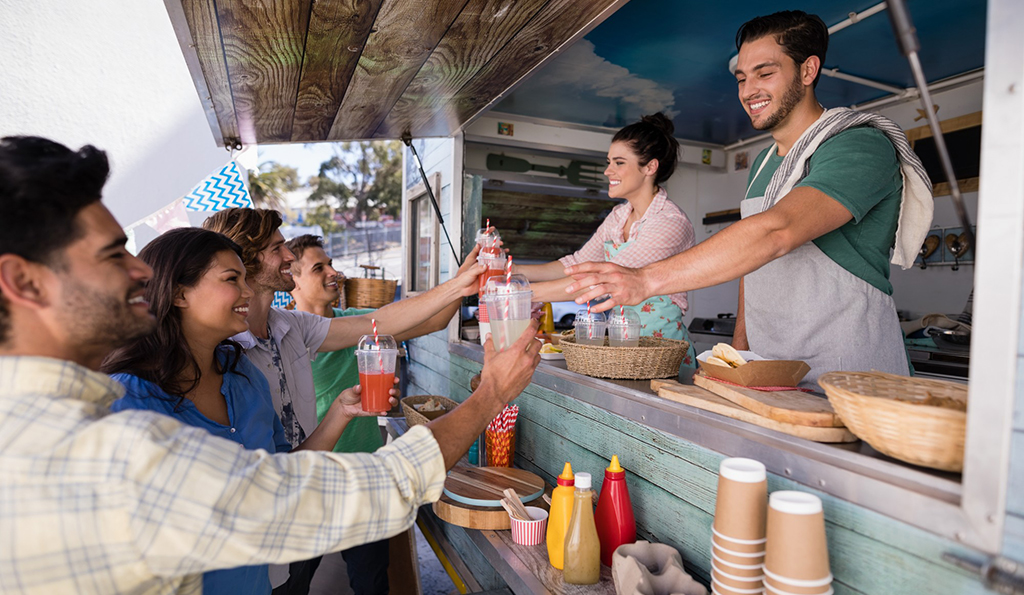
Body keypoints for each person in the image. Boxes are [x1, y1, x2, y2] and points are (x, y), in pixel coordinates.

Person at [0, 135, 542, 594]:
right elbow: (368, 489)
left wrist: (459, 286)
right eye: (111, 254)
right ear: (23, 281)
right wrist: (491, 392)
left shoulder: (241, 370)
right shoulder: (117, 440)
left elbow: (384, 329)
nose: (140, 271)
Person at [565, 11, 933, 387]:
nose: (747, 91)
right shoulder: (762, 164)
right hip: (773, 368)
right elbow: (753, 267)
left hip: (850, 369)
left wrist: (645, 280)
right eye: (742, 78)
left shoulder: (859, 144)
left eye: (765, 73)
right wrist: (738, 353)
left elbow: (775, 232)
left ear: (808, 70)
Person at [101, 228, 394, 595]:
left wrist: (340, 413)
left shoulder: (243, 375)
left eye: (245, 278)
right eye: (231, 279)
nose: (248, 291)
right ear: (178, 293)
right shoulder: (123, 402)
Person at [202, 207, 481, 593]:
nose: (288, 256)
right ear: (245, 259)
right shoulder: (219, 349)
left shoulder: (291, 326)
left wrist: (459, 284)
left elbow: (378, 322)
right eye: (276, 248)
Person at [286, 233, 469, 595]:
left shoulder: (361, 324)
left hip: (363, 476)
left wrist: (463, 281)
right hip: (311, 481)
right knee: (293, 583)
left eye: (331, 264)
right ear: (291, 278)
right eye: (319, 268)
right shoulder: (284, 338)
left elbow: (434, 321)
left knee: (371, 583)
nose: (334, 272)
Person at [514, 114, 698, 362]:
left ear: (650, 167)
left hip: (665, 352)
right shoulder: (618, 216)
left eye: (619, 163)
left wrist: (523, 293)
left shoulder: (669, 222)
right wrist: (513, 271)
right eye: (609, 162)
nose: (607, 171)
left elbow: (605, 280)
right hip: (624, 347)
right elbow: (577, 264)